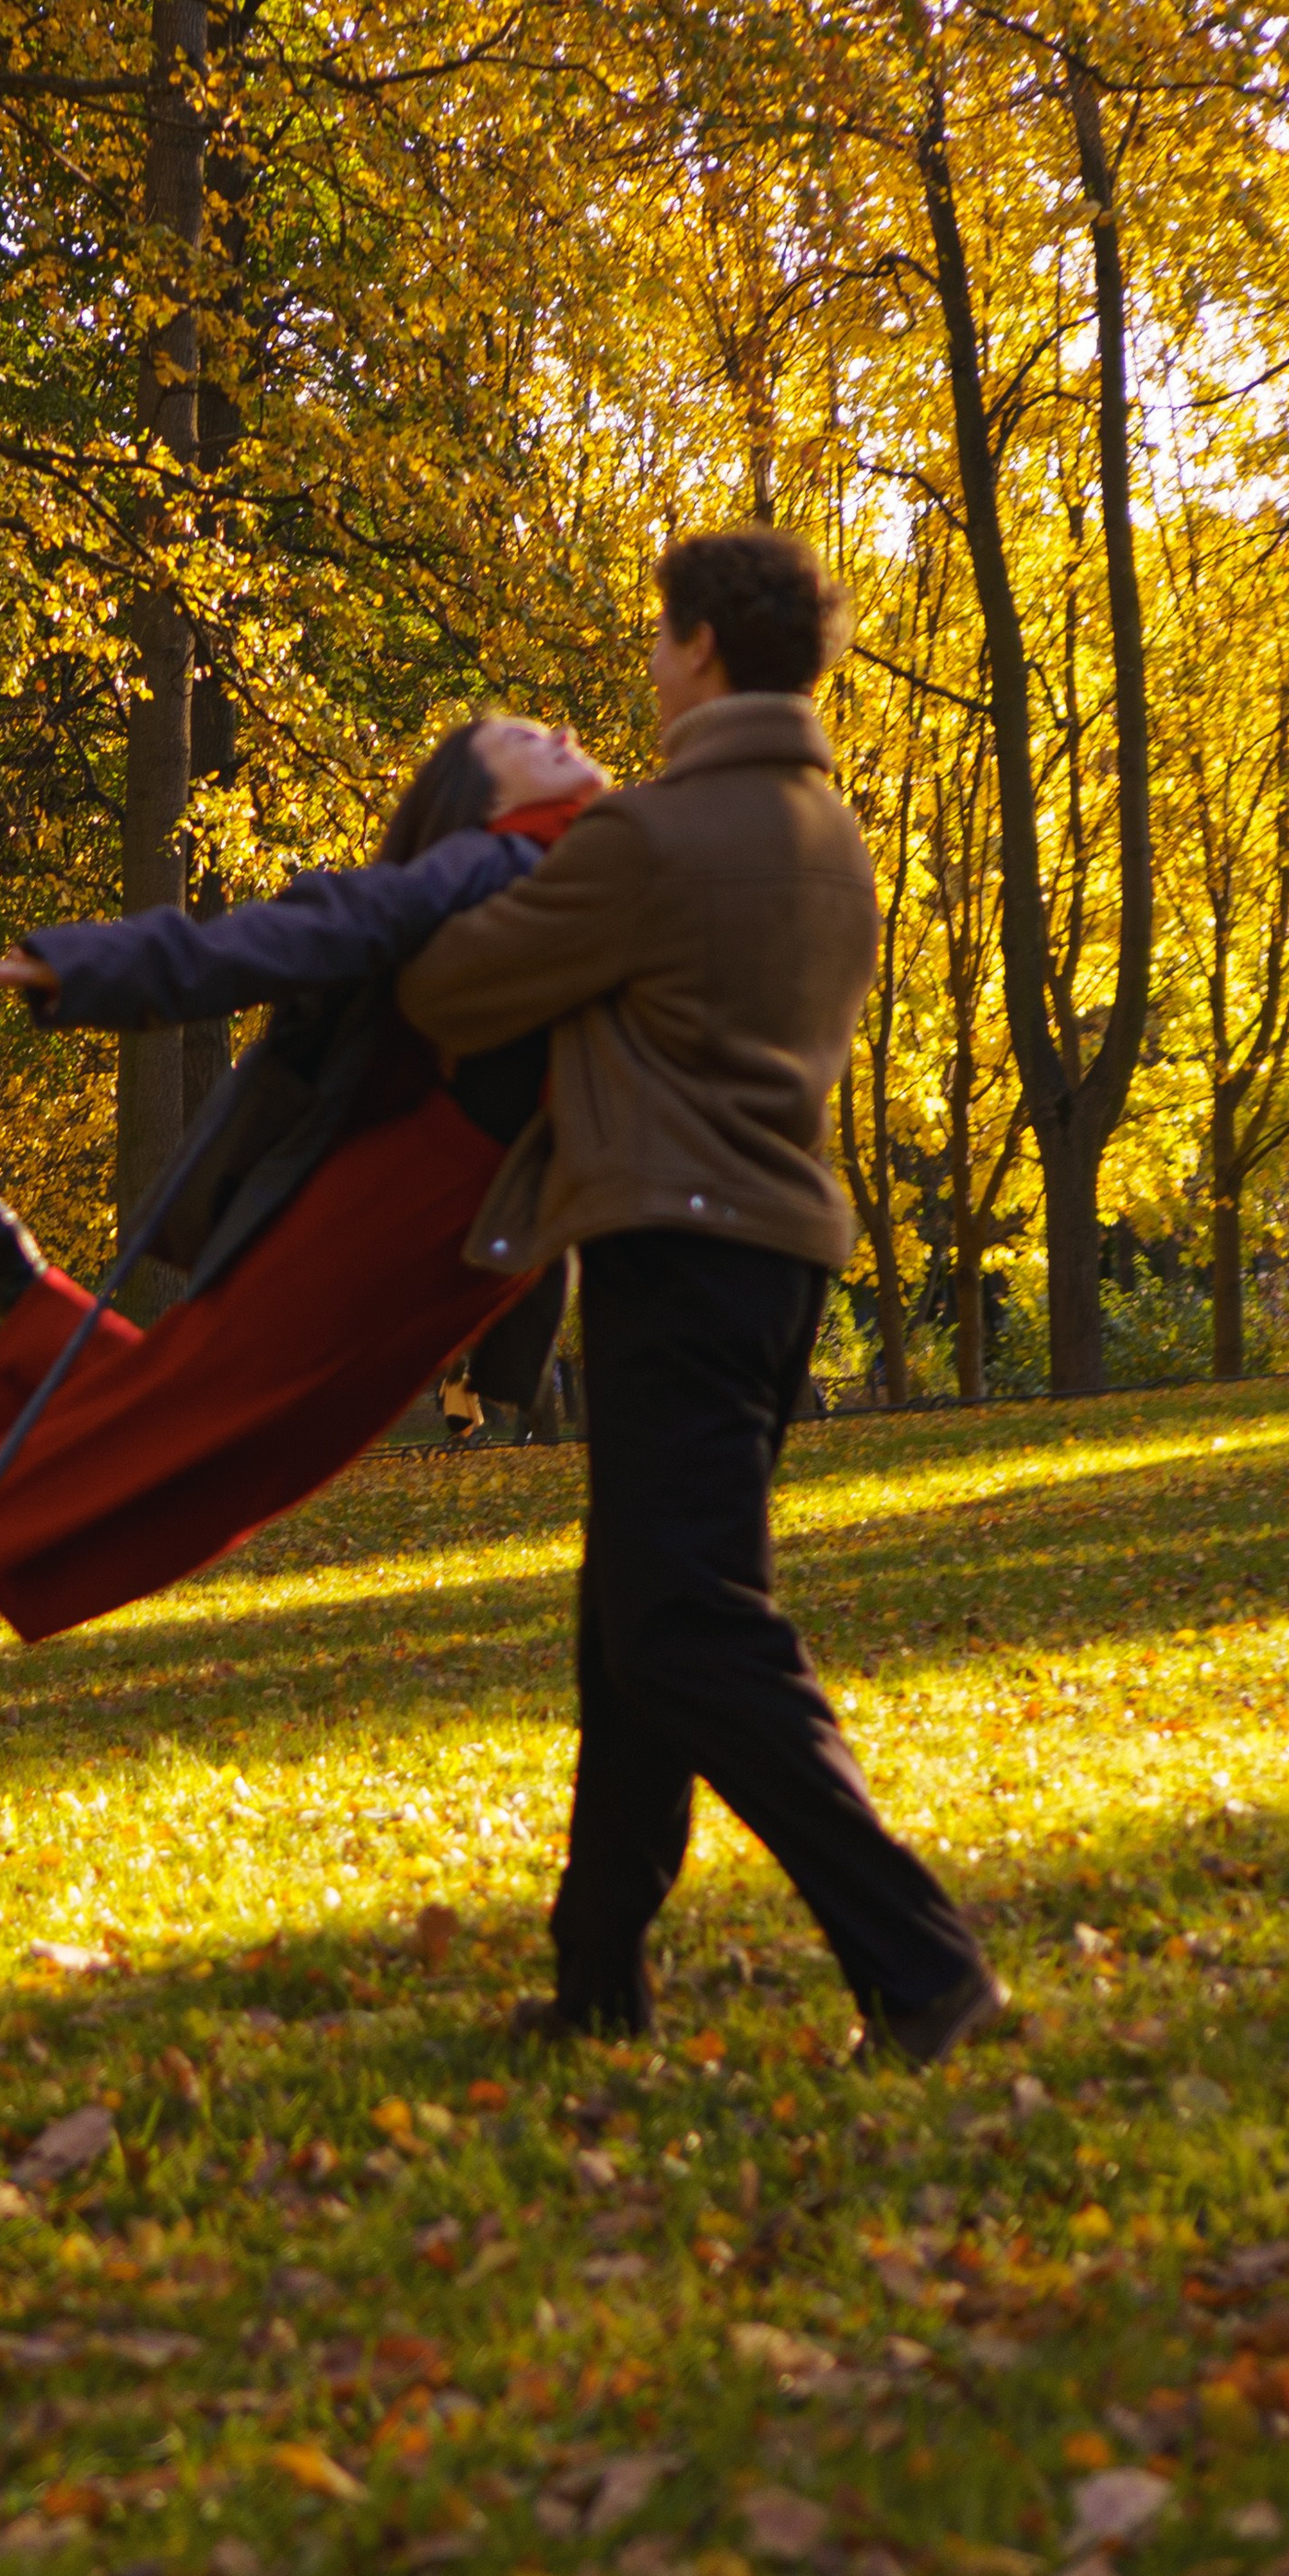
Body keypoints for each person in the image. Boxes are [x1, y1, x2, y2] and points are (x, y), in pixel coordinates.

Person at [399, 527, 1001, 2068]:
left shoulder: (656, 842)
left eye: (664, 639)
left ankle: (924, 1966)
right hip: (780, 1254)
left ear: (709, 652)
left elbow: (452, 991)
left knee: (687, 1623)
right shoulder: (830, 831)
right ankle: (598, 1976)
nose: (652, 665)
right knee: (632, 1624)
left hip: (678, 1253)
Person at [0, 712, 603, 1729]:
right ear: (473, 794)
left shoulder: (608, 856)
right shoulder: (500, 860)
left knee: (239, 1439)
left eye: (547, 726)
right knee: (218, 1433)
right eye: (513, 738)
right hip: (405, 1205)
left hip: (472, 1236)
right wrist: (102, 970)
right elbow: (310, 929)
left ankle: (11, 1296)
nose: (548, 733)